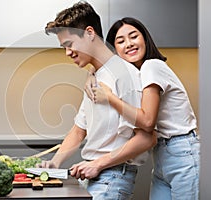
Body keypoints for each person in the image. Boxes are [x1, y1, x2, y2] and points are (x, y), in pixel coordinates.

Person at [40, 2, 157, 199]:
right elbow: (79, 131)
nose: (67, 53)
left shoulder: (124, 75)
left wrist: (98, 164)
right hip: (93, 176)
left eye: (69, 45)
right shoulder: (94, 78)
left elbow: (146, 137)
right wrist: (55, 162)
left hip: (112, 178)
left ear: (89, 33)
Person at [85, 17, 200, 200]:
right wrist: (91, 73)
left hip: (183, 152)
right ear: (115, 51)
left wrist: (110, 98)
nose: (129, 44)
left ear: (145, 39)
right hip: (163, 155)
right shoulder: (136, 75)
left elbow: (147, 121)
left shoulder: (151, 66)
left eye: (134, 37)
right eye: (121, 41)